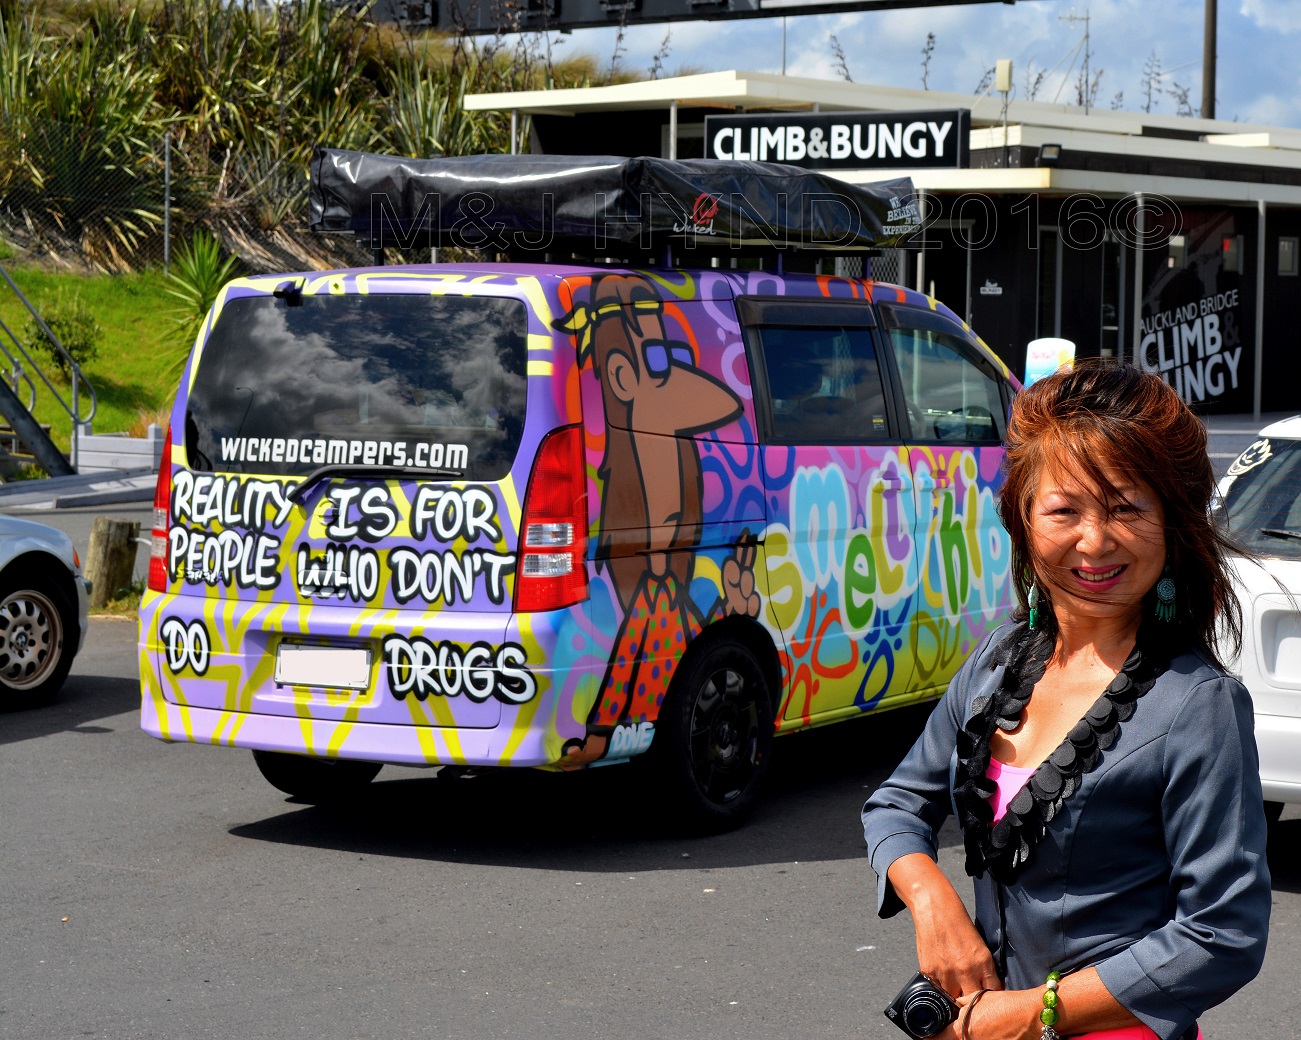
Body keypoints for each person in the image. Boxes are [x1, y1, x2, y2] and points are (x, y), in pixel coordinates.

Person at [862, 361, 1270, 1040]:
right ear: (1022, 519)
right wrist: (933, 903)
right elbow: (897, 804)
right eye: (1064, 509)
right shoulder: (999, 660)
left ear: (1171, 524)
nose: (1094, 539)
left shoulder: (1197, 706)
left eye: (1125, 507)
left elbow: (1222, 931)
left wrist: (1031, 1013)